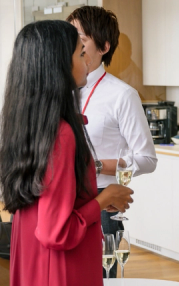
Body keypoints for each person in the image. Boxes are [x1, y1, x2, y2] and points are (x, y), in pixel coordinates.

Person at [0, 20, 134, 286]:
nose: (87, 61)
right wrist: (104, 197)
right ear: (58, 65)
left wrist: (92, 199)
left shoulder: (26, 123)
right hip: (61, 268)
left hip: (32, 258)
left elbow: (48, 203)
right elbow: (56, 231)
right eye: (80, 53)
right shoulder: (61, 134)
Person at [67, 5, 158, 278]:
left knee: (100, 277)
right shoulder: (61, 90)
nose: (73, 45)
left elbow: (147, 159)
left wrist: (96, 165)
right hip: (64, 197)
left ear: (104, 47)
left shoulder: (122, 95)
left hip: (102, 199)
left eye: (81, 39)